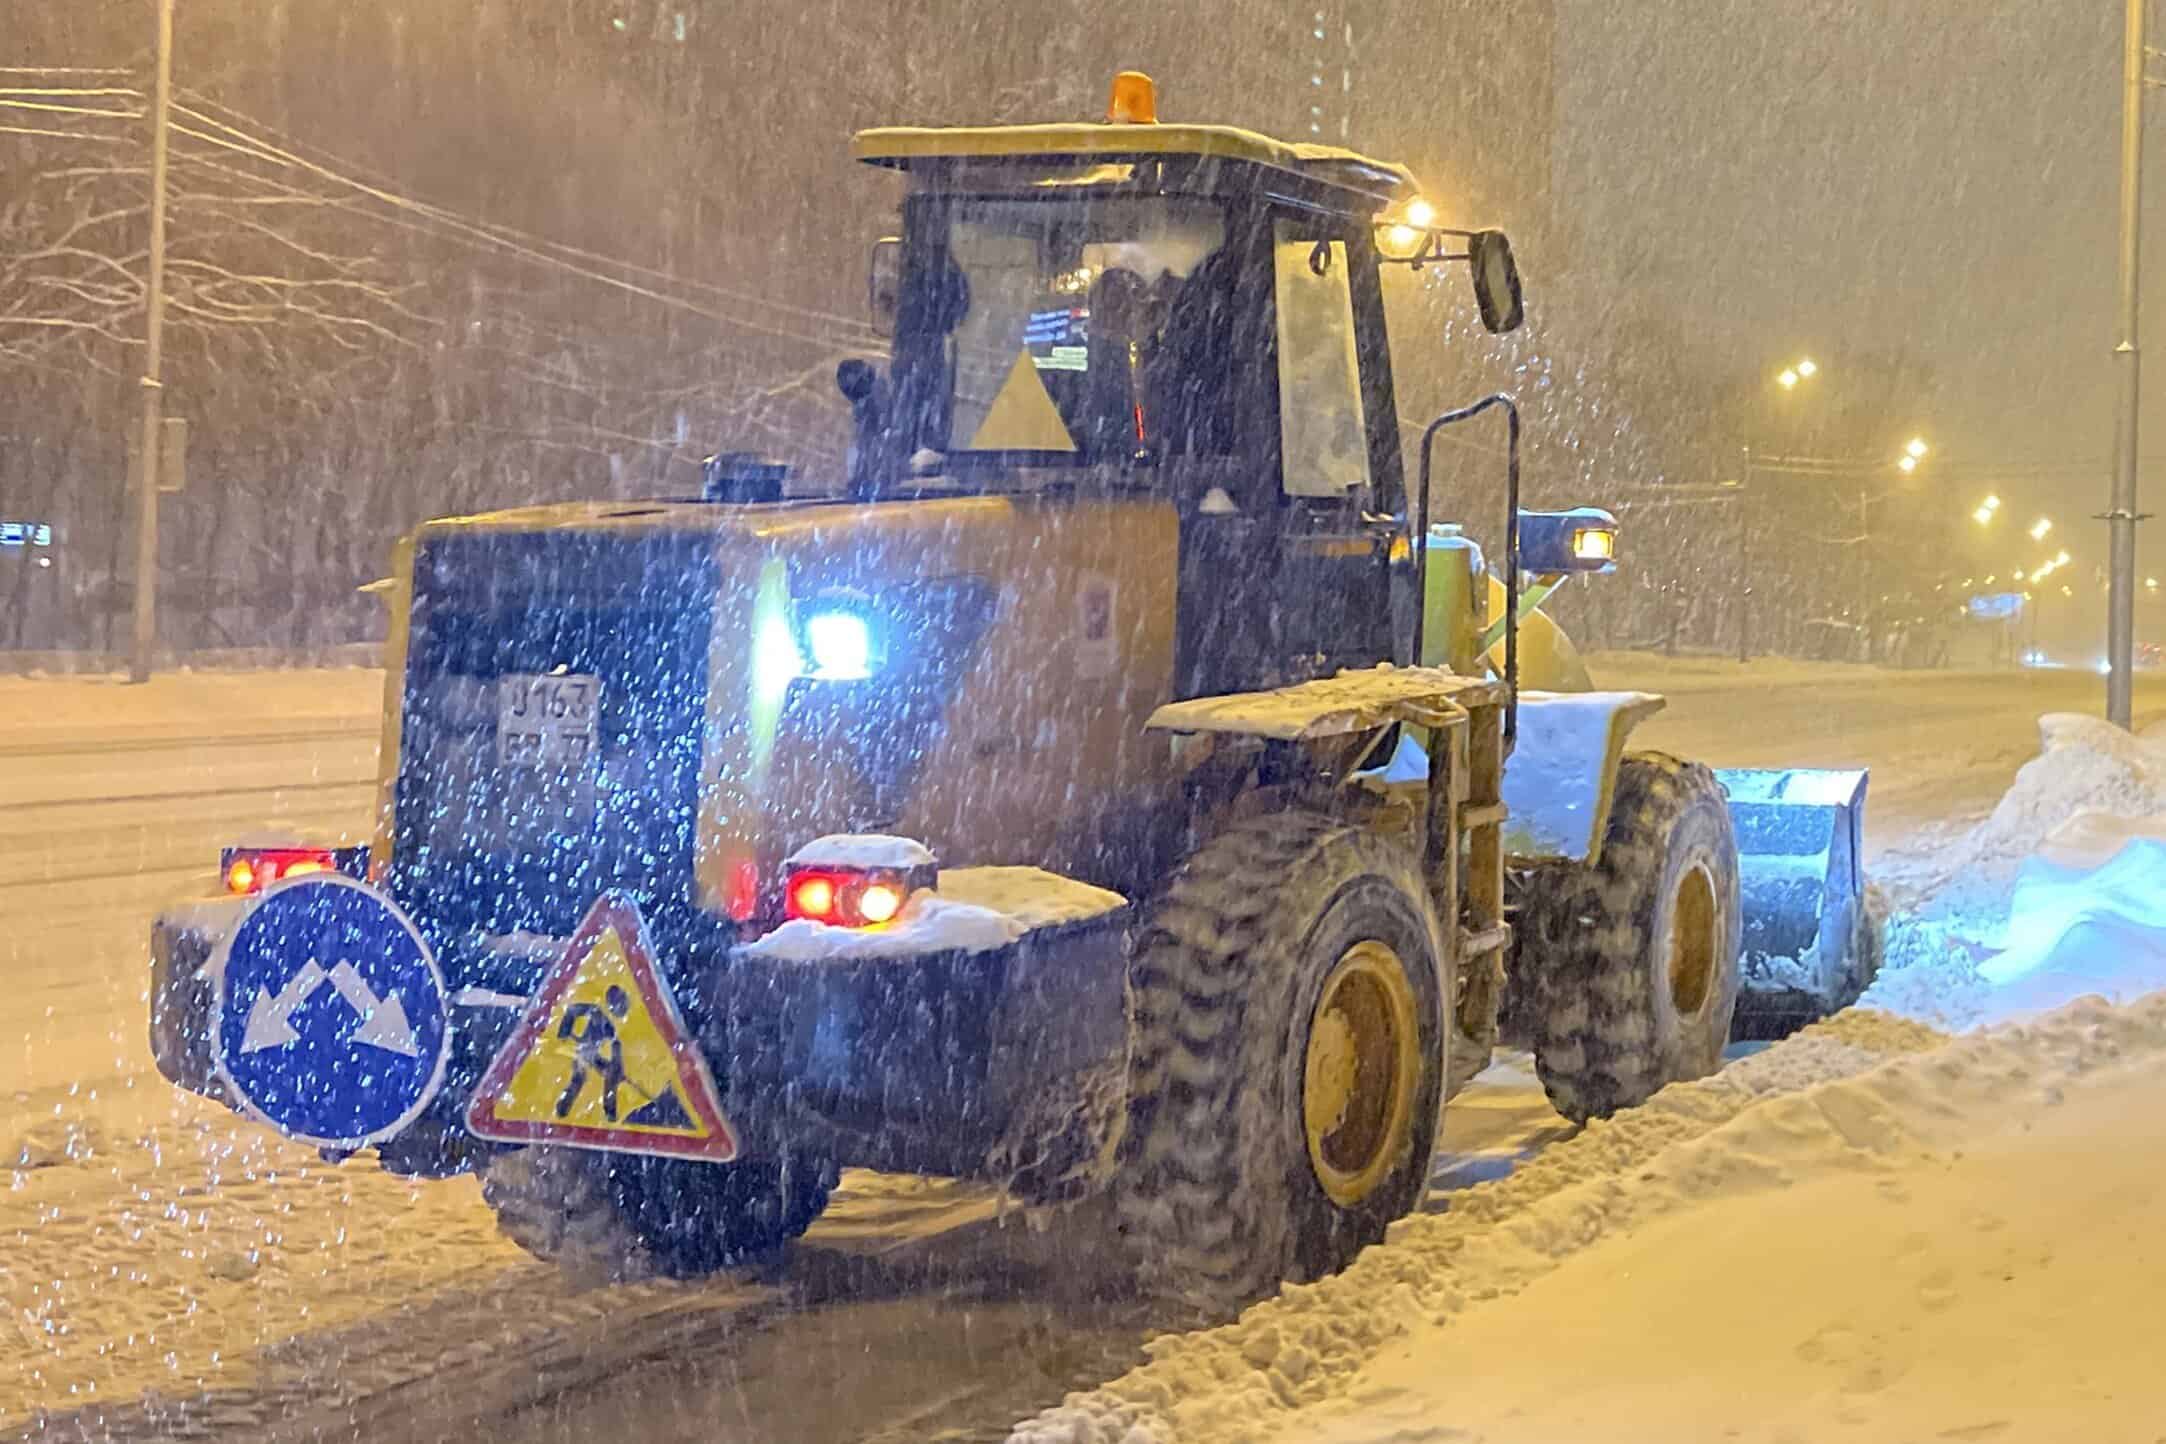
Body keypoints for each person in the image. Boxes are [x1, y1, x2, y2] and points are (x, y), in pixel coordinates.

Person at [554, 984, 631, 1122]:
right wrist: (564, 1034)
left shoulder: (613, 1025)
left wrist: (618, 1069)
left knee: (608, 1076)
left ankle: (609, 1113)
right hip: (583, 1050)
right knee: (580, 1078)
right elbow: (572, 1010)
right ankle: (562, 1109)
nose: (621, 1007)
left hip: (591, 1052)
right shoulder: (597, 1012)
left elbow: (616, 1048)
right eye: (619, 1003)